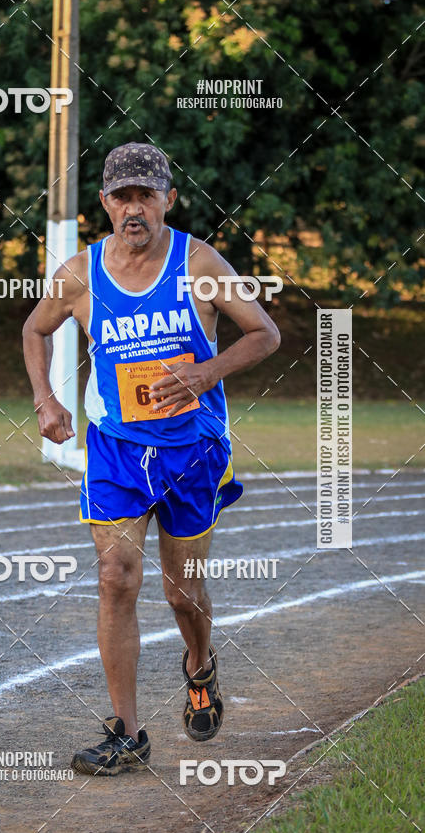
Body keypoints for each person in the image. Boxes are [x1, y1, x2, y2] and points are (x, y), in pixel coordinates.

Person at [23, 142, 280, 776]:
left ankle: (199, 665)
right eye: (122, 196)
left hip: (192, 451)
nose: (134, 208)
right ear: (105, 203)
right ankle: (127, 734)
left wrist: (205, 374)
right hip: (114, 449)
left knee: (181, 590)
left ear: (168, 198)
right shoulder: (79, 274)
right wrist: (46, 400)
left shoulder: (198, 262)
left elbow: (265, 333)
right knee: (116, 579)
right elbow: (34, 329)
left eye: (146, 195)